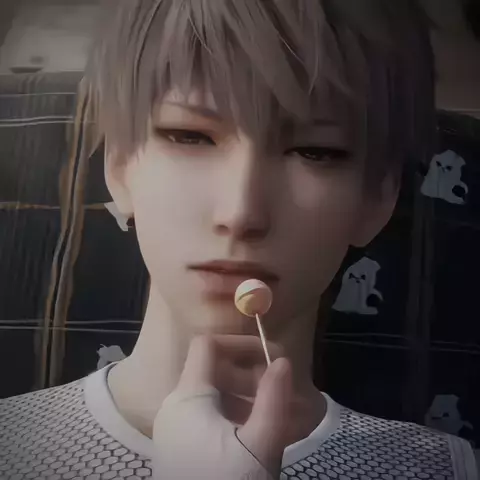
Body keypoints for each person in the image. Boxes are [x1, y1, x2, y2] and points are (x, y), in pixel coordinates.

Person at [0, 0, 478, 479]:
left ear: (378, 197)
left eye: (315, 151)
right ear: (120, 166)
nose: (241, 213)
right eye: (189, 136)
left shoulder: (441, 469)